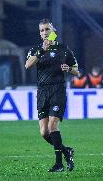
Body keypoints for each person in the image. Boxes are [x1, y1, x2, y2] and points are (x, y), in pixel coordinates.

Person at [25, 18, 79, 172]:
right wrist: (42, 50)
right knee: (44, 132)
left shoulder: (64, 49)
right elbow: (28, 65)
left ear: (53, 31)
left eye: (47, 29)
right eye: (42, 30)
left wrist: (68, 68)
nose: (44, 33)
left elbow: (77, 71)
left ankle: (59, 164)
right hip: (42, 92)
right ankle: (66, 151)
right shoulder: (35, 50)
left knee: (52, 125)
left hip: (57, 89)